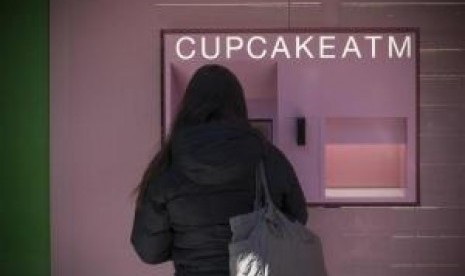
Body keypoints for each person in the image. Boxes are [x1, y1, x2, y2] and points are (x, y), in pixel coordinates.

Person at [130, 64, 308, 276]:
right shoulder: (268, 157)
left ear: (188, 106)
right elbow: (298, 219)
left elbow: (149, 252)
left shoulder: (167, 166)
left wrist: (188, 245)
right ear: (239, 105)